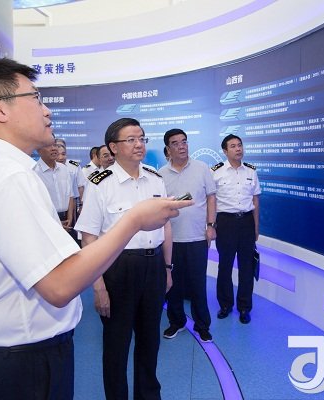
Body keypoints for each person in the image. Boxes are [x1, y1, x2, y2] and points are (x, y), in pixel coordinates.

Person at [0, 58, 190, 400]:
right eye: (36, 98)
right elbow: (59, 285)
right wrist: (134, 220)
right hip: (21, 368)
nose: (47, 111)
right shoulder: (8, 178)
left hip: (13, 362)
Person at [75, 117, 172, 400]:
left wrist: (167, 268)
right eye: (131, 139)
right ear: (113, 147)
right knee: (116, 345)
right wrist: (98, 287)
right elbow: (89, 238)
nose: (139, 144)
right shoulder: (100, 184)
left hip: (154, 266)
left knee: (150, 341)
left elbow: (166, 227)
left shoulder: (155, 178)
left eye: (141, 138)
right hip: (117, 269)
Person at [158, 128, 216, 342]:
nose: (181, 146)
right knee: (173, 284)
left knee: (198, 284)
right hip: (171, 239)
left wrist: (211, 225)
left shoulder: (202, 168)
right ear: (168, 149)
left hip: (197, 237)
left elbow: (211, 198)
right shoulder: (161, 174)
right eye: (175, 143)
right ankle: (177, 322)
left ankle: (203, 325)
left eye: (184, 141)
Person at [211, 134, 261, 324]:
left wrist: (256, 227)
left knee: (246, 267)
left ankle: (244, 307)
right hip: (225, 222)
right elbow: (211, 201)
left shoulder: (251, 171)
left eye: (240, 145)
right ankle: (225, 305)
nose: (238, 149)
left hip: (246, 222)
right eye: (233, 146)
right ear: (225, 151)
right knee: (225, 265)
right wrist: (211, 225)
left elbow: (256, 200)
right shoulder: (216, 172)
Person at [34, 140, 75, 231]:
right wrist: (55, 222)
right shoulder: (34, 172)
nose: (53, 149)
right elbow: (36, 203)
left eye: (55, 145)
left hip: (67, 220)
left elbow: (70, 195)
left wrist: (70, 218)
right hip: (47, 221)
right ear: (38, 150)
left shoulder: (64, 168)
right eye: (48, 146)